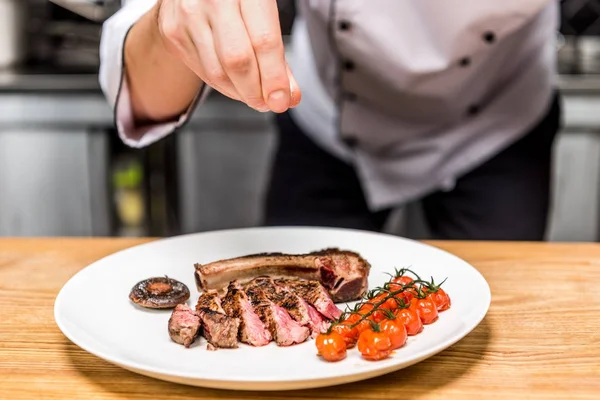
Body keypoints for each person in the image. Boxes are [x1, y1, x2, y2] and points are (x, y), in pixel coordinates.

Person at [99, 0, 561, 240]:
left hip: (496, 119)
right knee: (290, 319)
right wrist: (171, 18)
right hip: (327, 123)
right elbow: (146, 91)